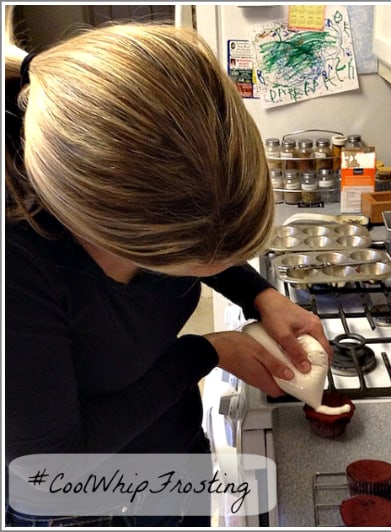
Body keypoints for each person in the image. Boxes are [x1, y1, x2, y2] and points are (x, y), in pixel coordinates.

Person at [4, 10, 332, 527]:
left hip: (171, 451)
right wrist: (206, 353)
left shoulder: (154, 211)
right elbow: (47, 468)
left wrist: (260, 294)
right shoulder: (17, 271)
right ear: (104, 228)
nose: (198, 271)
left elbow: (204, 236)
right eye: (180, 265)